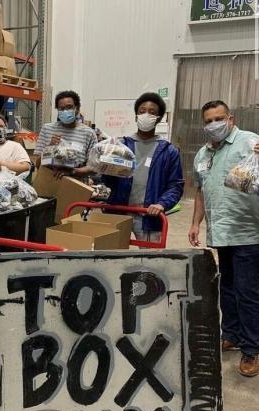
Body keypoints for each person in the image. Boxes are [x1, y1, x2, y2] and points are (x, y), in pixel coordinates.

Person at [188, 100, 259, 377]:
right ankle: (231, 334)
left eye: (219, 118)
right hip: (221, 232)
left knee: (248, 291)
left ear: (231, 118)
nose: (214, 124)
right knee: (227, 287)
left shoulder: (249, 142)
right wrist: (195, 223)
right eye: (208, 120)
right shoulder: (203, 154)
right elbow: (200, 191)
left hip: (248, 232)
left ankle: (252, 349)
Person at [102, 92, 184, 242]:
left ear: (158, 119)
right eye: (142, 111)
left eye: (152, 112)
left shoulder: (168, 151)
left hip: (149, 217)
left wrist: (162, 203)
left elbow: (175, 185)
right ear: (135, 117)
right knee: (113, 257)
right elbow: (109, 181)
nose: (146, 115)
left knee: (148, 260)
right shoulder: (122, 146)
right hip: (119, 213)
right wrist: (105, 167)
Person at [34, 90, 97, 177]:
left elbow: (94, 168)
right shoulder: (47, 129)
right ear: (58, 110)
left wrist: (72, 172)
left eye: (69, 107)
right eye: (61, 109)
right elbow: (37, 165)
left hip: (76, 184)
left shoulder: (89, 133)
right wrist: (49, 147)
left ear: (77, 108)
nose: (65, 111)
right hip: (48, 182)